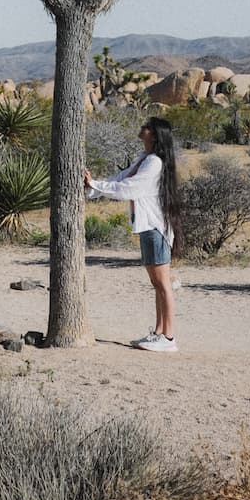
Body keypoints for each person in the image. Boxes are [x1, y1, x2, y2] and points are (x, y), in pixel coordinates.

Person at [83, 117, 182, 352]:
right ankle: (159, 333)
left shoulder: (154, 163)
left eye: (147, 127)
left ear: (155, 135)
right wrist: (93, 187)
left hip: (155, 228)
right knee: (157, 284)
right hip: (148, 227)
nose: (143, 128)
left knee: (163, 284)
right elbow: (120, 180)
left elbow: (130, 188)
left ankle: (168, 338)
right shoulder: (144, 159)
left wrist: (96, 185)